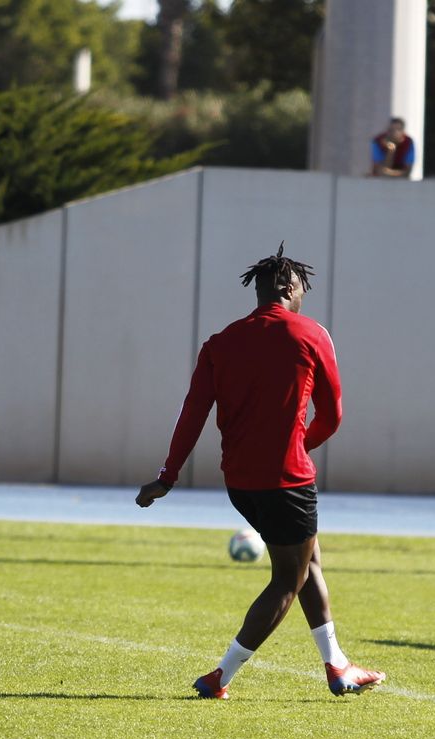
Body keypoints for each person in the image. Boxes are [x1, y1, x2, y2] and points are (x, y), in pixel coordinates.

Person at [136, 245, 386, 700]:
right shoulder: (311, 334)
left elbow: (191, 413)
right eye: (304, 288)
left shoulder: (220, 342)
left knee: (308, 562)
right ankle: (220, 677)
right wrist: (296, 445)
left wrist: (167, 476)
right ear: (291, 287)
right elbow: (332, 415)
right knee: (286, 582)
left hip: (240, 483)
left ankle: (337, 665)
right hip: (288, 480)